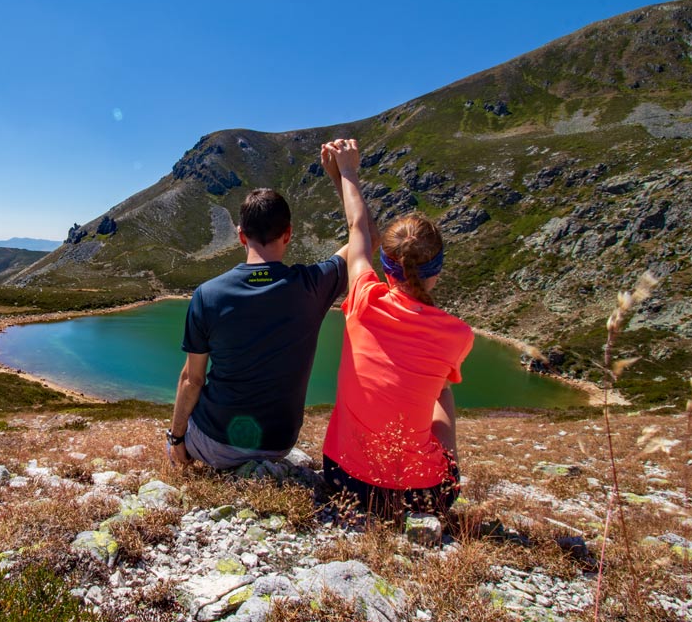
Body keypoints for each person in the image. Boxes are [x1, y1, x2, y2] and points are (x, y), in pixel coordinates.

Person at [319, 138, 474, 517]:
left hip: (343, 480)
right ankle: (440, 469)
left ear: (386, 266)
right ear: (436, 272)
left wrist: (345, 173)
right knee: (442, 390)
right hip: (424, 496)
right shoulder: (458, 335)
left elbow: (358, 230)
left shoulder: (363, 301)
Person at [167, 188, 348, 469]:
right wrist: (343, 176)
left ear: (241, 235)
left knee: (180, 431)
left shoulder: (207, 294)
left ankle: (186, 460)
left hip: (216, 444)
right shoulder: (312, 285)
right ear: (288, 234)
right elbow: (364, 237)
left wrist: (176, 438)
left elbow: (193, 380)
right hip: (279, 444)